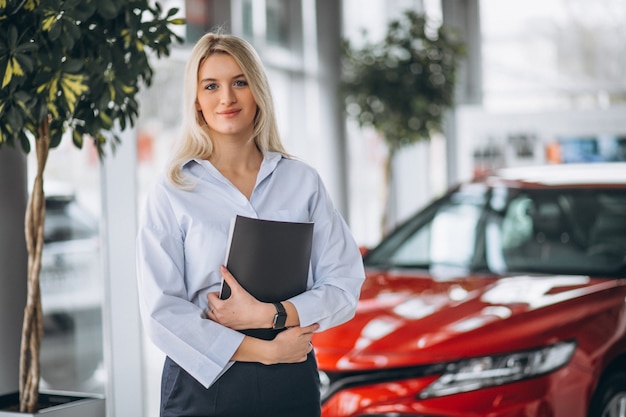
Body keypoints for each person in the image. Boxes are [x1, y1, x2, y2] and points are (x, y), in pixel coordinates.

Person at [136, 32, 366, 417]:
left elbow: (344, 285)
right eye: (211, 85)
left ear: (257, 90)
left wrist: (272, 315)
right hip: (203, 383)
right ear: (196, 99)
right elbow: (163, 313)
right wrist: (266, 350)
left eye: (239, 82)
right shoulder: (173, 189)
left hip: (290, 378)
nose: (226, 98)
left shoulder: (301, 181)